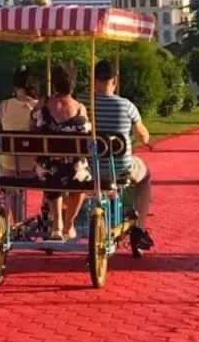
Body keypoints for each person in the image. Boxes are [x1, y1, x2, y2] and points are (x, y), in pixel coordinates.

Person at [92, 59, 154, 251]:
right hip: (119, 168)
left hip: (89, 167)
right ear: (114, 80)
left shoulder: (84, 103)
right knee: (145, 178)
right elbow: (142, 134)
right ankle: (140, 228)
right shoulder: (126, 106)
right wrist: (147, 141)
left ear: (93, 80)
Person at [31, 63, 92, 240]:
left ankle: (56, 225)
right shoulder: (80, 109)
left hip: (46, 170)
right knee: (82, 180)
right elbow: (88, 134)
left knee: (51, 169)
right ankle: (68, 225)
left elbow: (31, 128)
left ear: (54, 83)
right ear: (73, 84)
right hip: (74, 170)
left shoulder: (42, 104)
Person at [0, 65, 39, 225]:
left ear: (15, 86)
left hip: (9, 167)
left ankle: (16, 222)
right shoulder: (39, 107)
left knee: (12, 179)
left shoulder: (4, 106)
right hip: (32, 169)